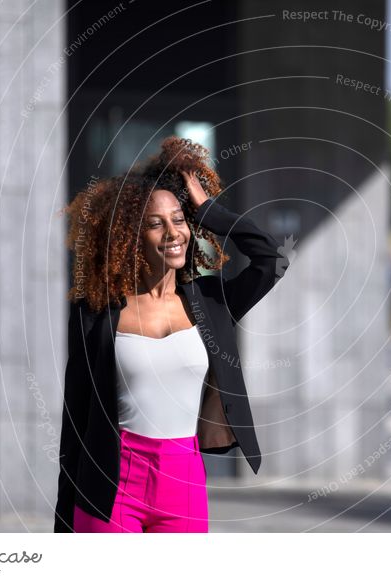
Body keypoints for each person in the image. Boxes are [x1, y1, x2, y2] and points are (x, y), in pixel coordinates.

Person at [54, 136, 290, 533]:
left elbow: (271, 260)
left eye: (179, 219)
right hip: (111, 482)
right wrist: (63, 523)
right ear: (131, 237)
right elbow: (75, 419)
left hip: (182, 483)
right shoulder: (97, 312)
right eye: (155, 223)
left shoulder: (211, 303)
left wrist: (210, 211)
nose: (172, 232)